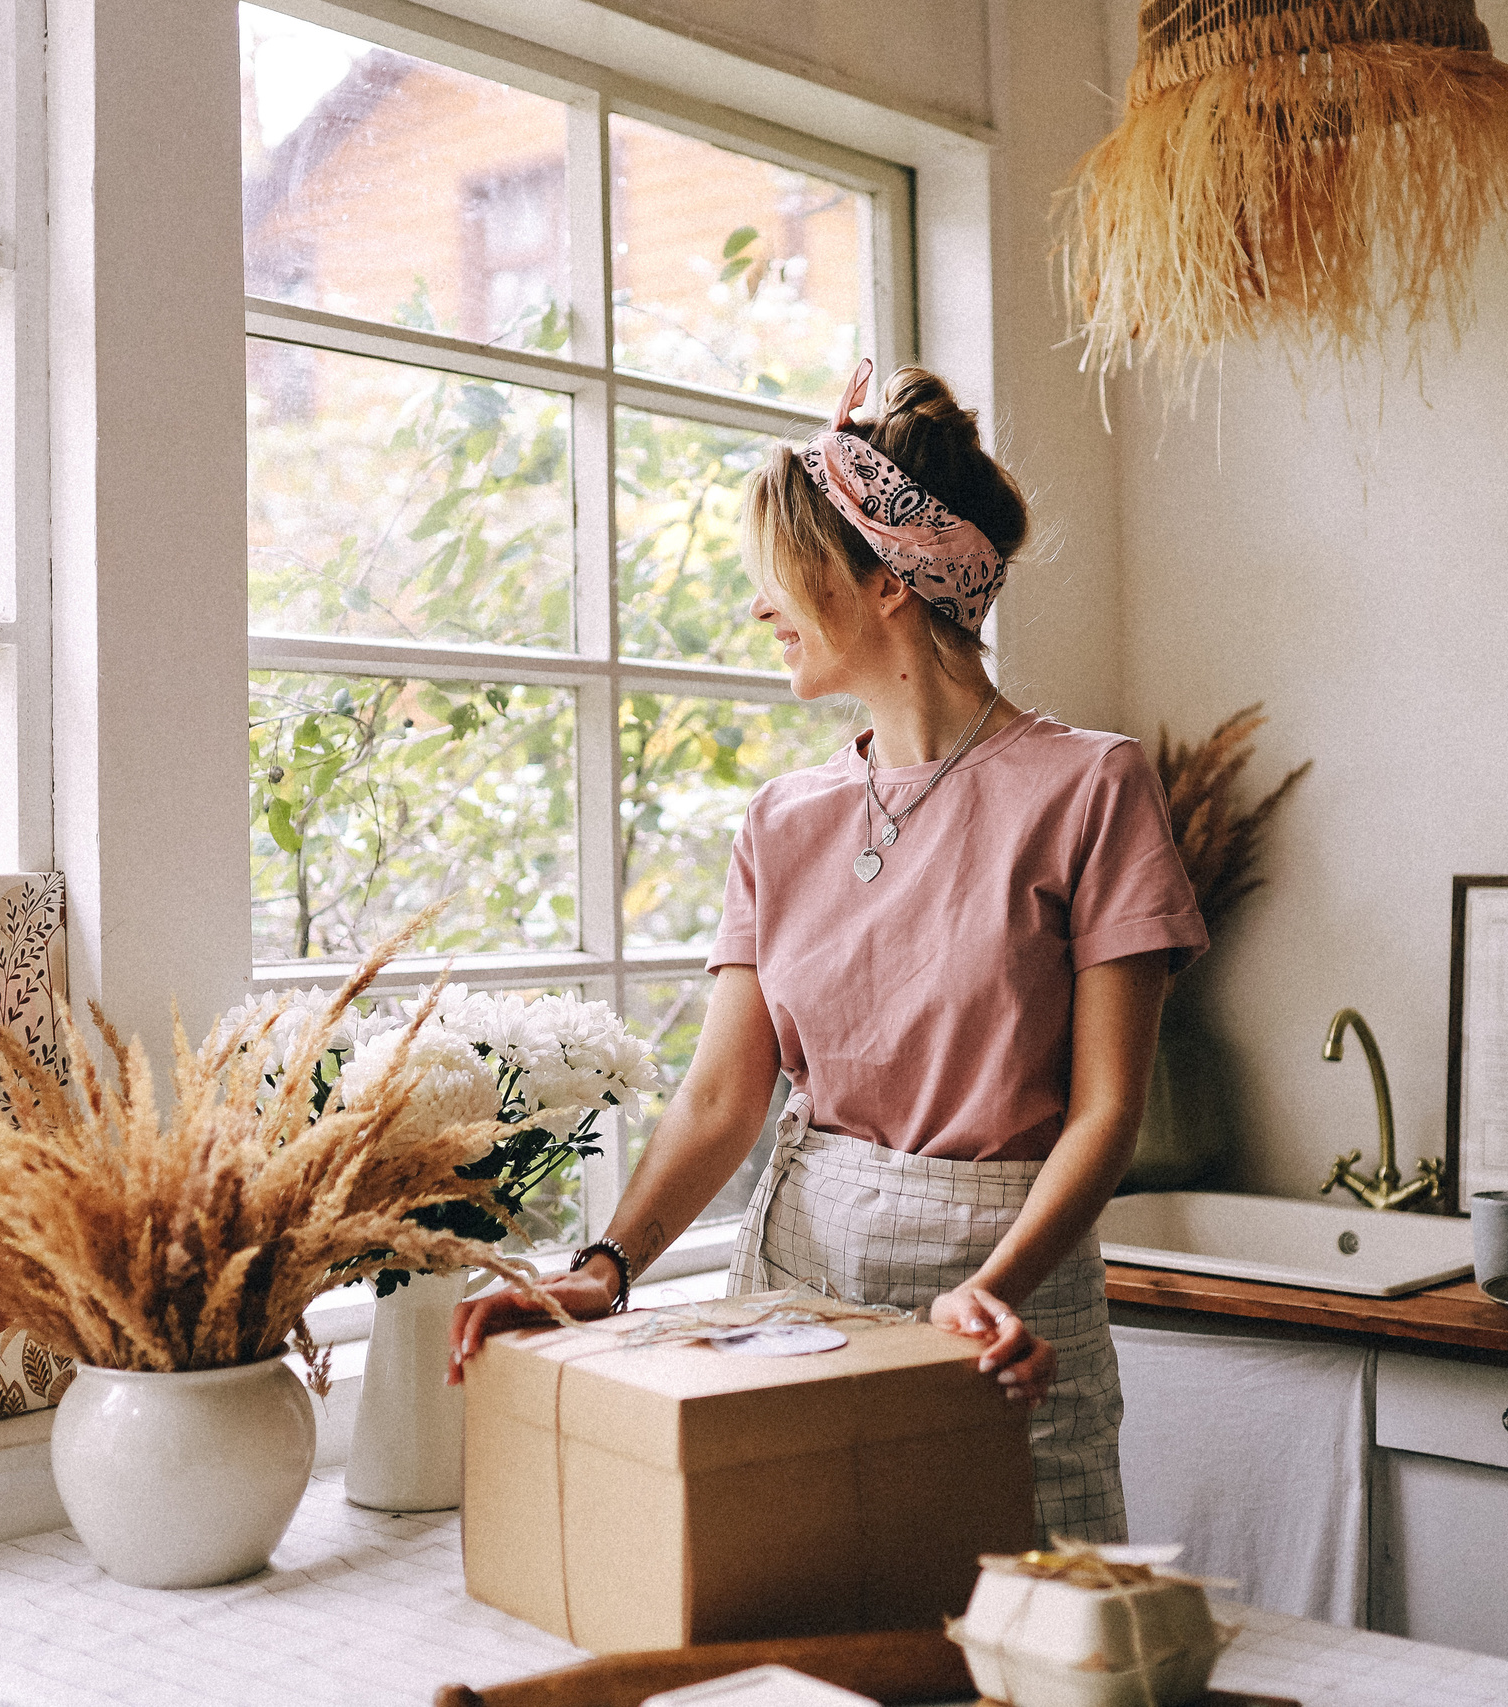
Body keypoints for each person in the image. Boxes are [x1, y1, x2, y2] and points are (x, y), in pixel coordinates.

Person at [449, 357, 1206, 1542]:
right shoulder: (780, 820)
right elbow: (718, 1099)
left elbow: (1107, 1112)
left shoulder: (1089, 786)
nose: (758, 609)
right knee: (806, 1620)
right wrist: (606, 1267)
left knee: (1023, 1643)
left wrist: (986, 1291)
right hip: (797, 1293)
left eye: (780, 578)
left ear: (887, 581)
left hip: (1004, 1298)